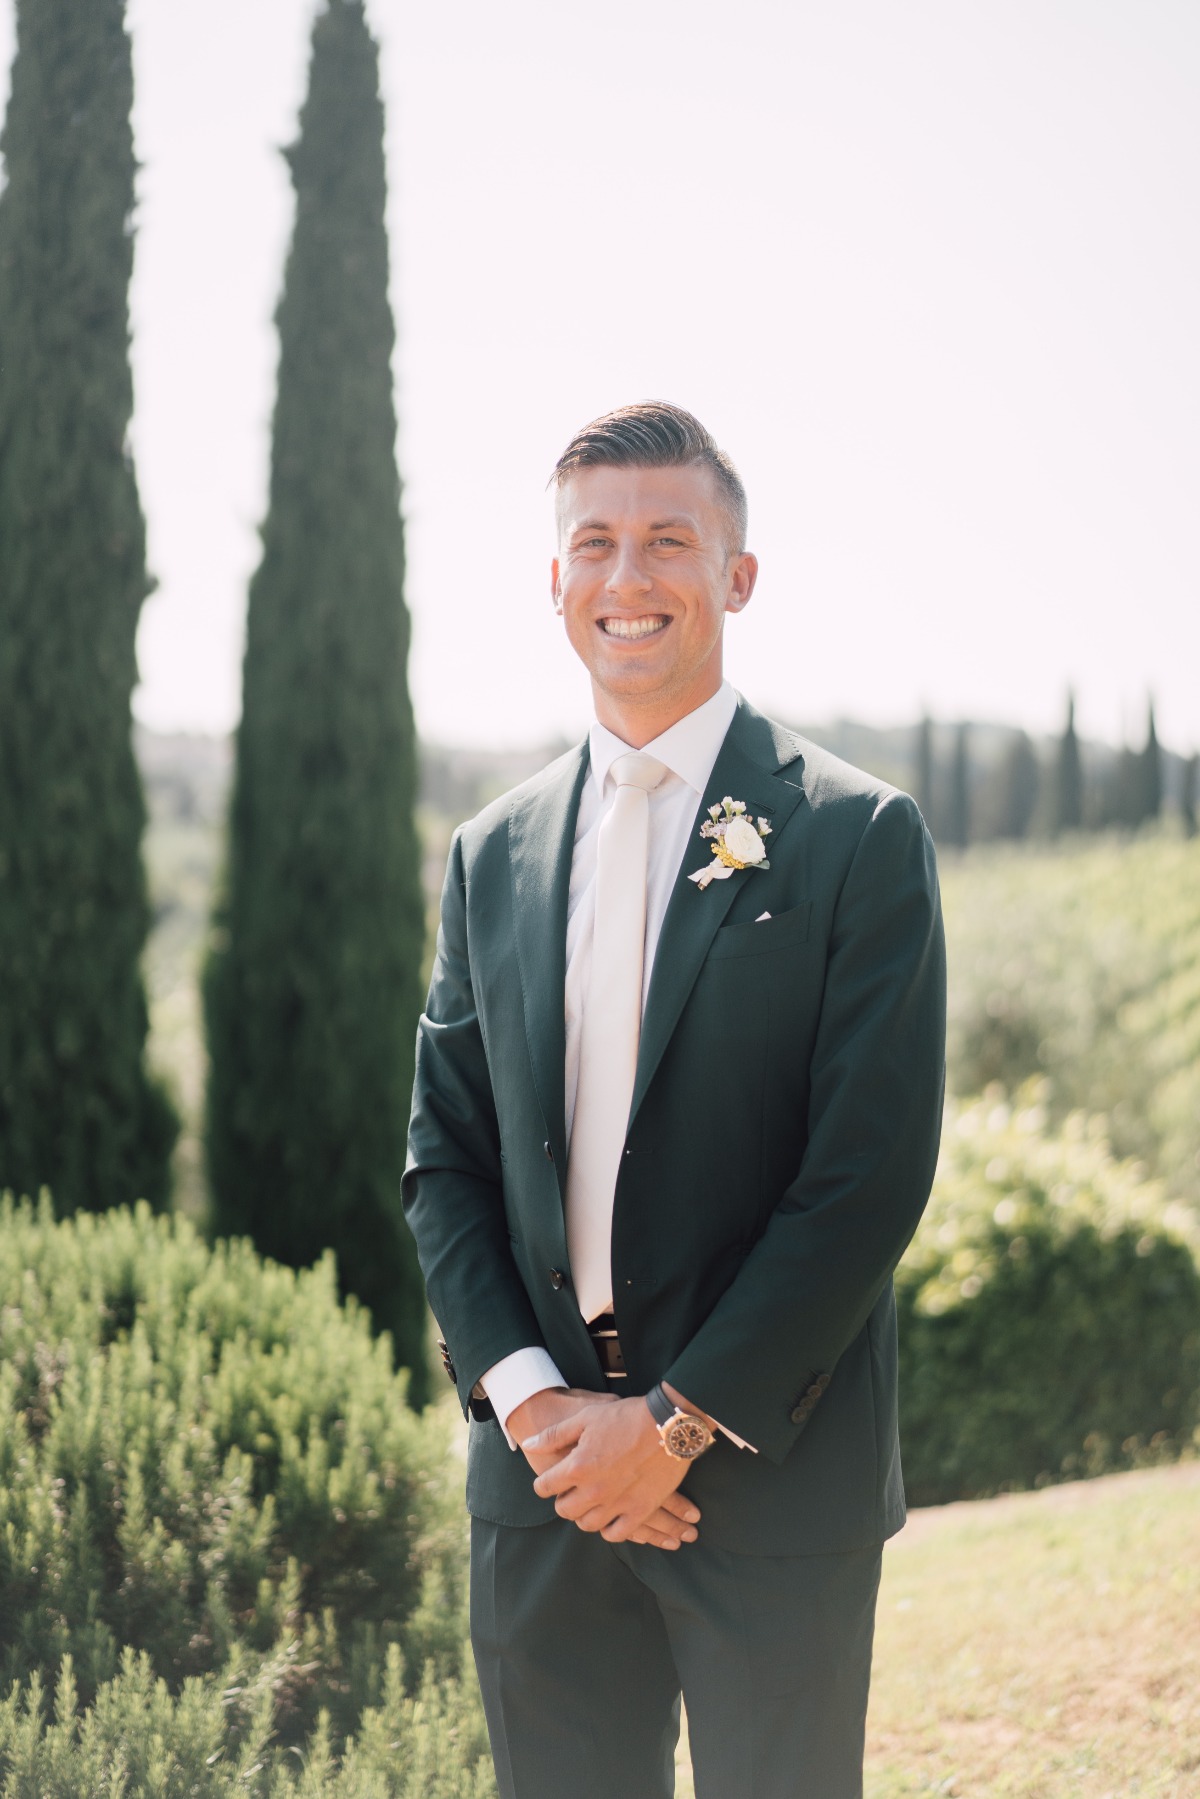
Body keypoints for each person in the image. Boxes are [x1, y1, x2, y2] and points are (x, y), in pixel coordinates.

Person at [402, 400, 946, 1799]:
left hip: (767, 1490)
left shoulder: (857, 837)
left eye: (666, 542)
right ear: (555, 582)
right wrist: (539, 1416)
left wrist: (675, 1426)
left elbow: (865, 1179)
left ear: (736, 577)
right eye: (595, 544)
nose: (627, 579)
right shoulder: (490, 852)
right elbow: (445, 1163)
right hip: (545, 1489)